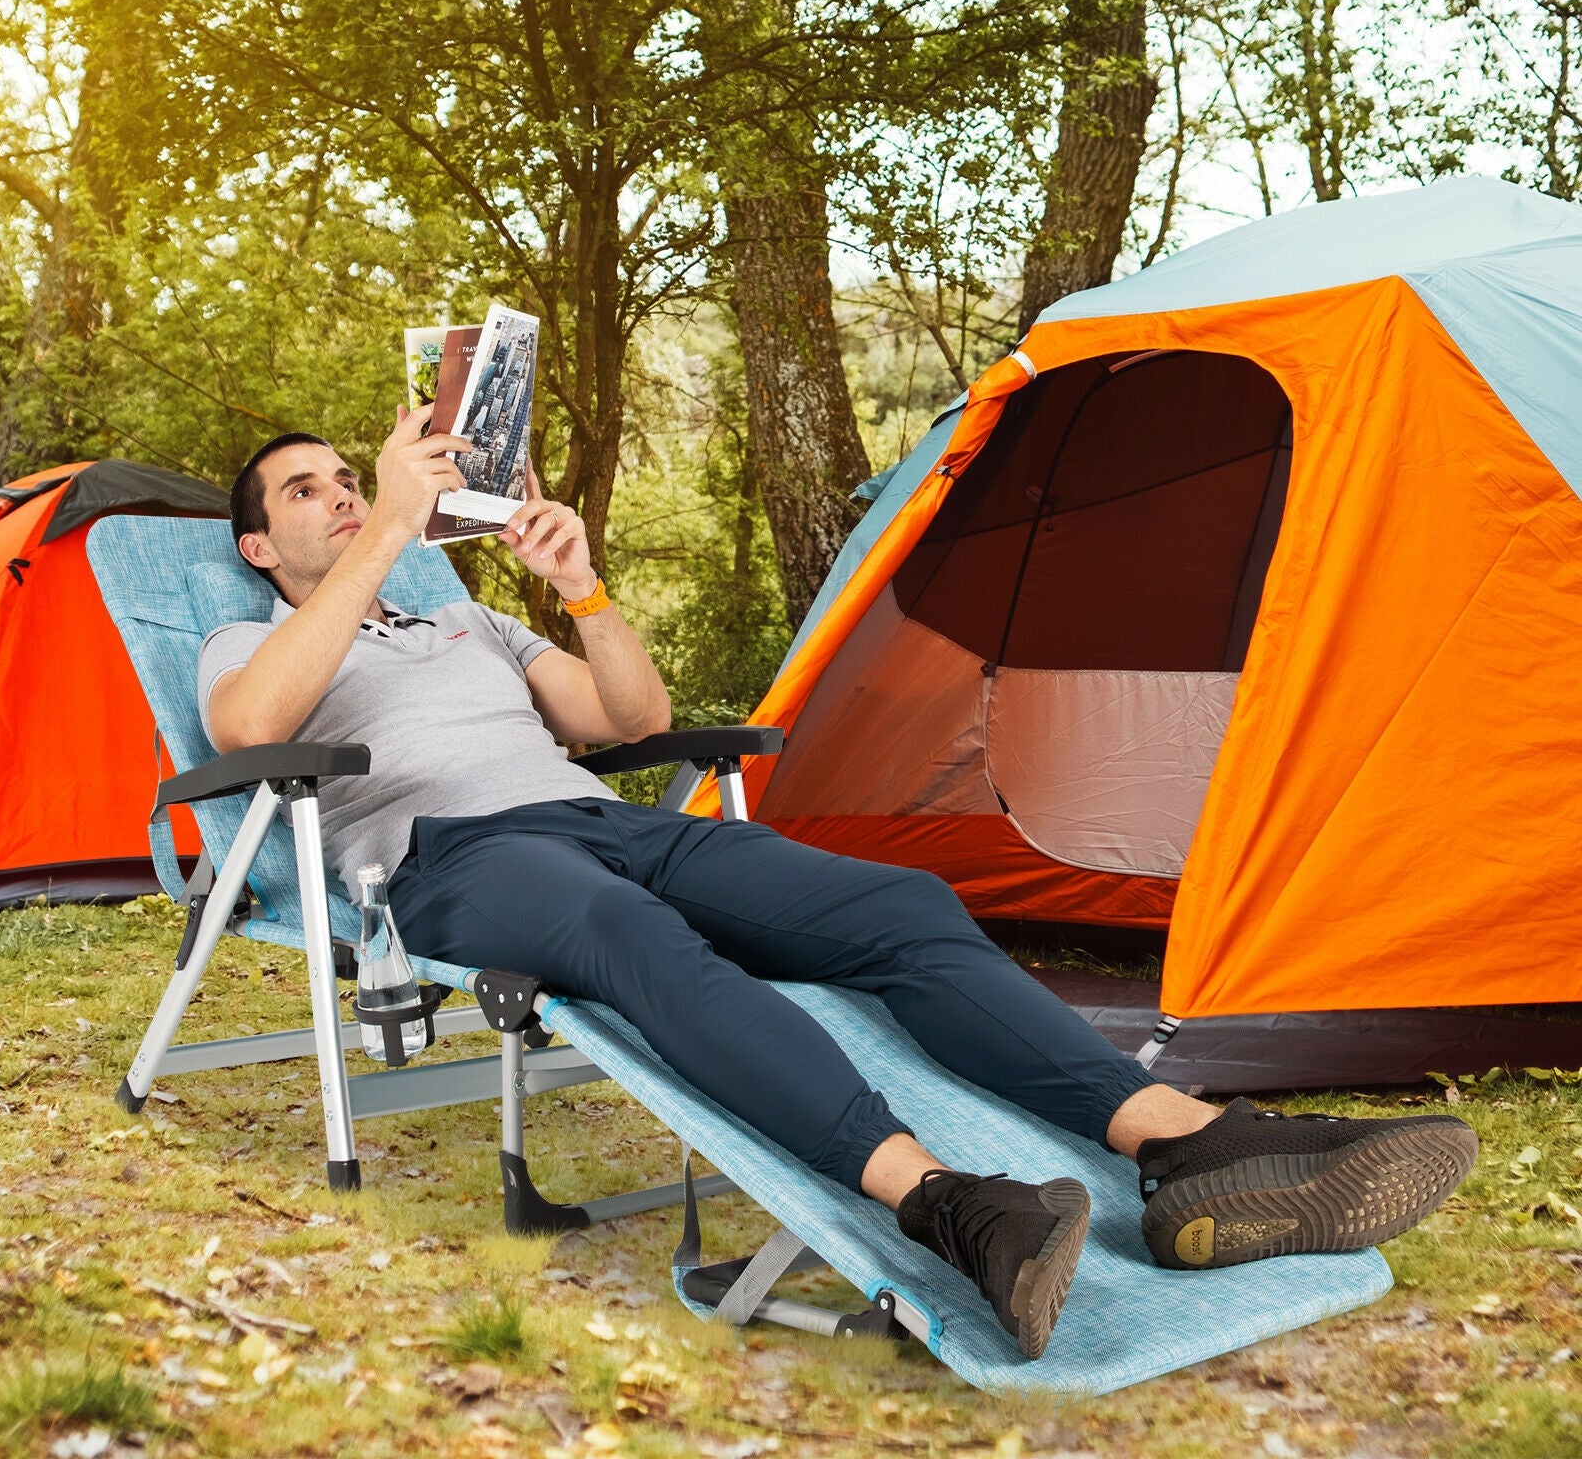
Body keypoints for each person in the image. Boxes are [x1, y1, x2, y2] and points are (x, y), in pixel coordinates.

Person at [198, 411, 1478, 1360]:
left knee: (900, 908)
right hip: (452, 863)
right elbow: (252, 728)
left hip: (600, 819)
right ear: (260, 543)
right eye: (308, 492)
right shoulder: (246, 636)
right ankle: (949, 1205)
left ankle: (1187, 1145)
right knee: (632, 940)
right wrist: (395, 547)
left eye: (351, 481)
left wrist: (577, 584)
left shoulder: (462, 622)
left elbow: (624, 714)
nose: (344, 498)